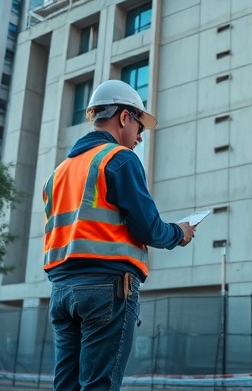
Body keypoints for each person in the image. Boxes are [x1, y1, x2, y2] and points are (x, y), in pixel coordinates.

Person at [43, 80, 196, 391]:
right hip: (106, 289)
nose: (140, 136)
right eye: (139, 125)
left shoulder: (59, 172)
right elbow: (149, 229)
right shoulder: (119, 159)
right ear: (124, 117)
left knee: (67, 386)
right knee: (99, 385)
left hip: (62, 292)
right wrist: (180, 233)